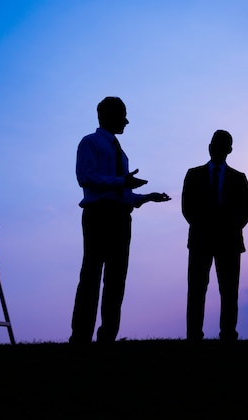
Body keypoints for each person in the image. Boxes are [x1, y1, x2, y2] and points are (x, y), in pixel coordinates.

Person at [69, 96, 171, 345]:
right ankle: (81, 337)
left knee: (116, 278)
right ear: (108, 116)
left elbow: (121, 192)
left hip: (120, 217)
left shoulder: (121, 153)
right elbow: (85, 177)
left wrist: (146, 197)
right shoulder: (90, 143)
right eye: (122, 114)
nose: (126, 120)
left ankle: (107, 337)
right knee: (92, 275)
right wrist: (122, 182)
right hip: (98, 215)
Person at [181, 130, 248, 341]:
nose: (216, 148)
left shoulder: (239, 178)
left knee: (229, 291)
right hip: (201, 240)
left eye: (222, 145)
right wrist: (206, 226)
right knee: (196, 290)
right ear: (209, 146)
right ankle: (194, 335)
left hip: (228, 241)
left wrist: (227, 228)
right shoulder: (193, 174)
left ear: (229, 150)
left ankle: (228, 334)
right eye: (214, 144)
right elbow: (187, 208)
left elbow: (246, 211)